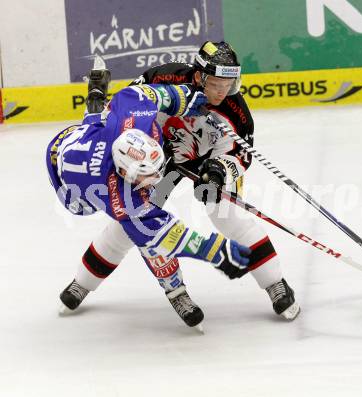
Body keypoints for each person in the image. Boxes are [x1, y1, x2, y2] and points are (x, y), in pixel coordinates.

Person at [81, 41, 301, 323]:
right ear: (198, 76)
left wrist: (219, 171)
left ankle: (275, 283)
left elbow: (240, 156)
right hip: (159, 157)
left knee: (227, 216)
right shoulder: (164, 78)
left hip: (206, 162)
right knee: (135, 218)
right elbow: (131, 104)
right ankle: (83, 282)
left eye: (229, 84)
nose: (223, 92)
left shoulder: (237, 112)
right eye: (216, 84)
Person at [48, 81, 252, 329]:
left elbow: (140, 93)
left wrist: (184, 98)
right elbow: (169, 236)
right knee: (145, 236)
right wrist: (216, 250)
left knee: (98, 126)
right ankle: (175, 290)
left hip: (85, 140)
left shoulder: (135, 118)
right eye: (147, 177)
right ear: (124, 172)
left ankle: (95, 103)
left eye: (157, 171)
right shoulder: (122, 198)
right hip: (70, 182)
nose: (156, 179)